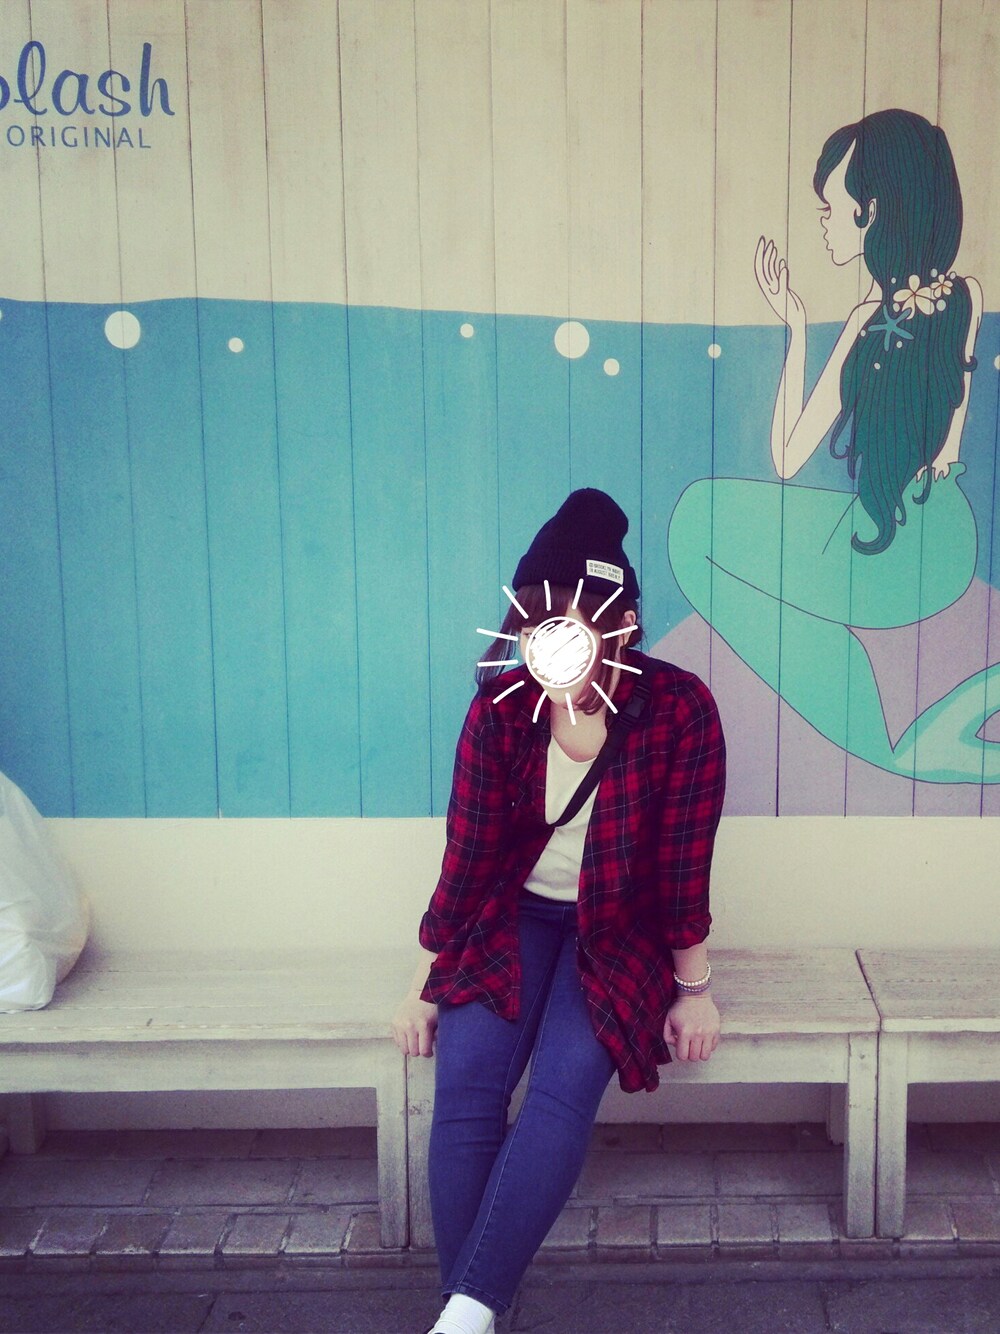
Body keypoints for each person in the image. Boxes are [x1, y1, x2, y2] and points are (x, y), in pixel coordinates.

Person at [392, 489, 726, 1334]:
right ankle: (469, 1314)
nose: (552, 645)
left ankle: (464, 1313)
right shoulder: (503, 710)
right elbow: (467, 857)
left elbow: (683, 868)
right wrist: (428, 979)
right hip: (512, 917)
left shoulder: (680, 711)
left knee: (564, 1084)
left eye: (572, 625)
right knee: (467, 1085)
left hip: (620, 930)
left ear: (622, 626)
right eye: (537, 624)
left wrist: (694, 988)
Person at [667, 108, 1000, 783]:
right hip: (929, 535)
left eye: (832, 206)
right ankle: (891, 734)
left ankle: (879, 740)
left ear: (873, 211)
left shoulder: (895, 314)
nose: (824, 221)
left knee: (696, 525)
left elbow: (791, 457)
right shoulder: (952, 299)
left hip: (895, 544)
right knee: (702, 525)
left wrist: (800, 333)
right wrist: (797, 329)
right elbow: (800, 458)